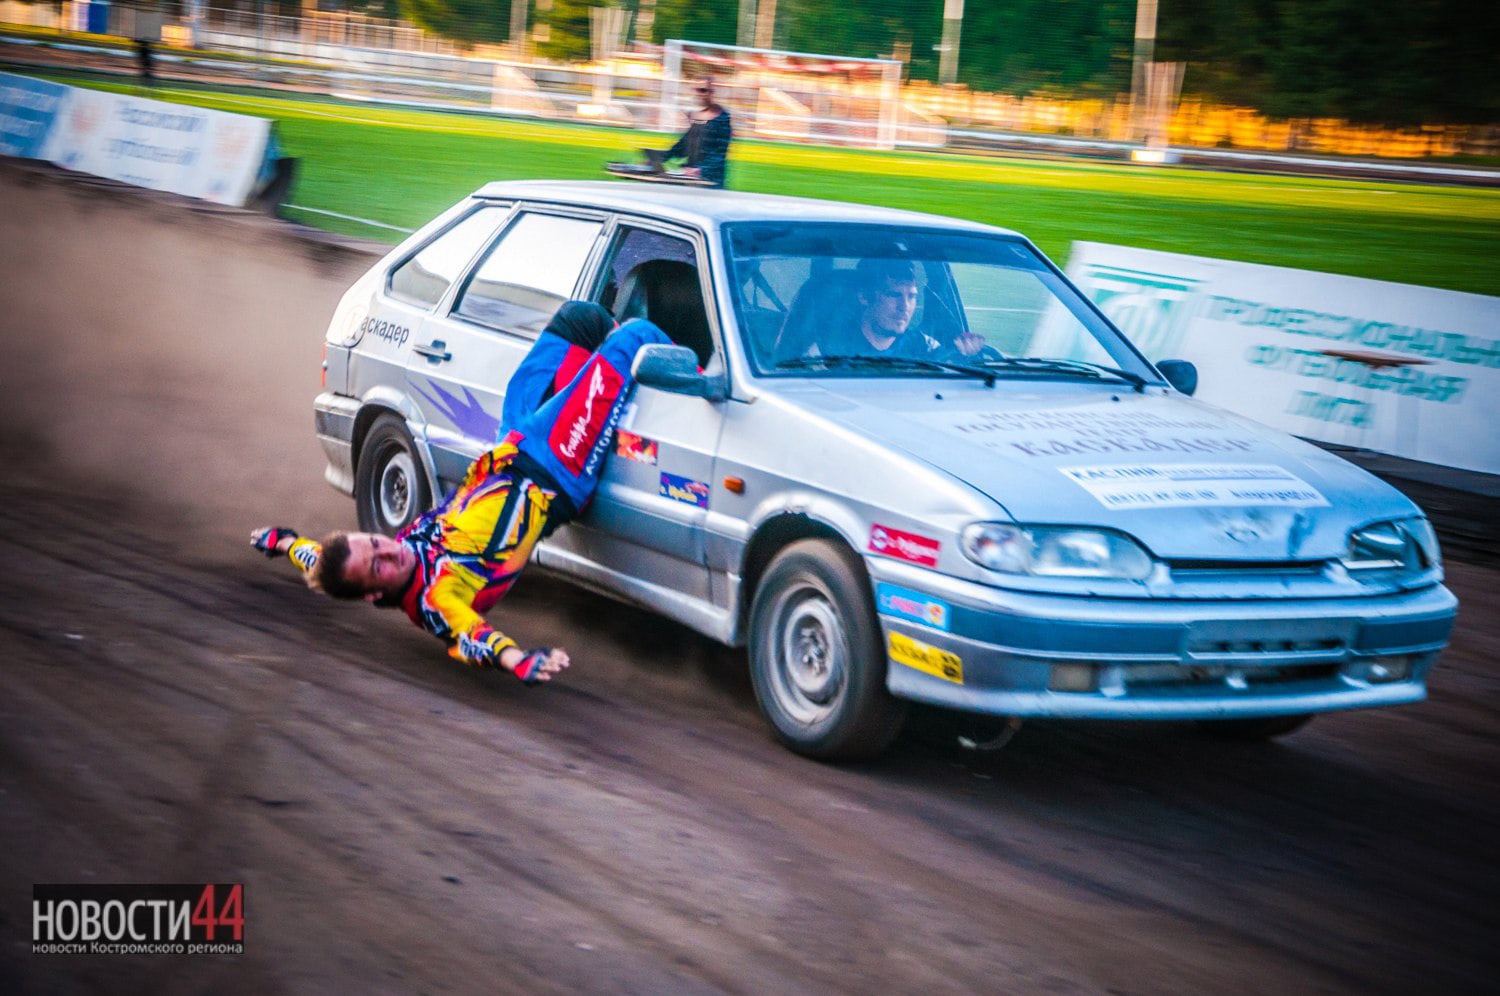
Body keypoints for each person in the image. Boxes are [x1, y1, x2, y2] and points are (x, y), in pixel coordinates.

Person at [251, 309, 671, 684]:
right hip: (554, 468)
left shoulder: (377, 558)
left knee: (578, 321)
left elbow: (315, 555)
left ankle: (602, 383)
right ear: (376, 596)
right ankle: (712, 389)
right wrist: (517, 660)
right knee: (634, 336)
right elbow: (469, 637)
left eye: (376, 543)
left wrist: (285, 542)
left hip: (513, 445)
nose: (388, 552)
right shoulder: (438, 599)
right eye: (377, 567)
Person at [815, 258, 985, 360]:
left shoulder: (923, 346)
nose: (905, 307)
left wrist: (965, 353)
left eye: (911, 297)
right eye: (894, 295)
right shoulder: (828, 346)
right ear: (864, 297)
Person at [656, 77, 733, 188]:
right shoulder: (698, 118)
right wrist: (659, 157)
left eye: (703, 90)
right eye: (696, 90)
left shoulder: (722, 119)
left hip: (710, 183)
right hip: (691, 179)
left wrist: (700, 170)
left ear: (712, 93)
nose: (699, 94)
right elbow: (683, 145)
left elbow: (719, 155)